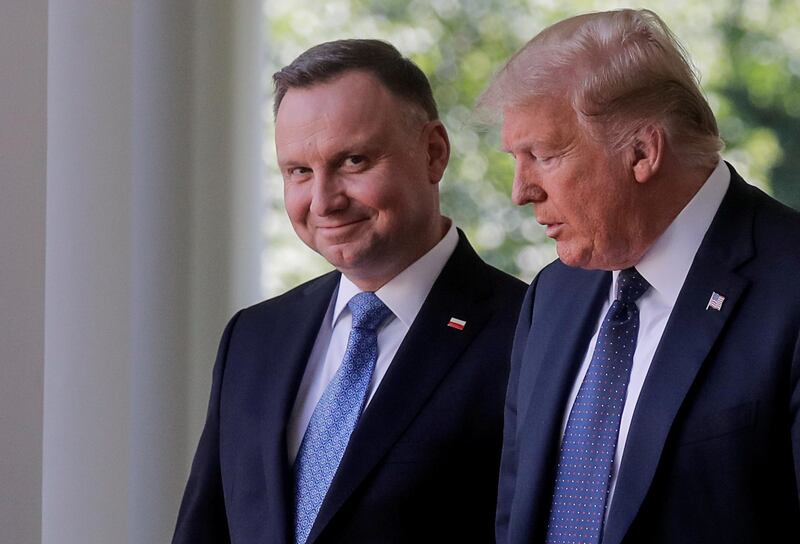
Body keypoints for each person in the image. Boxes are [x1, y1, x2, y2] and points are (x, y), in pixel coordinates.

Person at [173, 39, 526, 544]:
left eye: (354, 161)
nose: (323, 201)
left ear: (433, 153)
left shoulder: (529, 336)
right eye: (299, 171)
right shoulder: (254, 337)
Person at [479, 9, 800, 544]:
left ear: (643, 151)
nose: (521, 191)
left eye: (542, 155)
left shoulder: (789, 286)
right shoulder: (551, 296)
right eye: (516, 159)